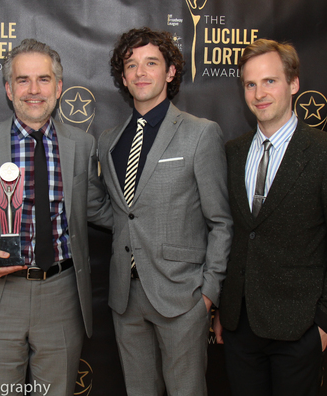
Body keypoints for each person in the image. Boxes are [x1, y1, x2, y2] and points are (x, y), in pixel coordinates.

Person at [0, 38, 111, 396]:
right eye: (23, 80)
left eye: (43, 79)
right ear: (9, 89)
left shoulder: (81, 145)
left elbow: (96, 208)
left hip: (60, 296)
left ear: (58, 88)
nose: (33, 90)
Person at [213, 38, 327, 396]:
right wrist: (223, 307)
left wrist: (324, 325)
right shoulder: (232, 152)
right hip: (239, 328)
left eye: (270, 81)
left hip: (299, 330)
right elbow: (232, 234)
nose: (259, 93)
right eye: (250, 84)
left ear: (293, 84)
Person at [97, 27, 233, 396]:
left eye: (151, 63)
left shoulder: (200, 134)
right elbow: (120, 211)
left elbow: (220, 221)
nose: (141, 72)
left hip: (182, 296)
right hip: (126, 297)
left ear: (170, 72)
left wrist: (208, 294)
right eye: (131, 65)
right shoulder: (109, 139)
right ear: (123, 78)